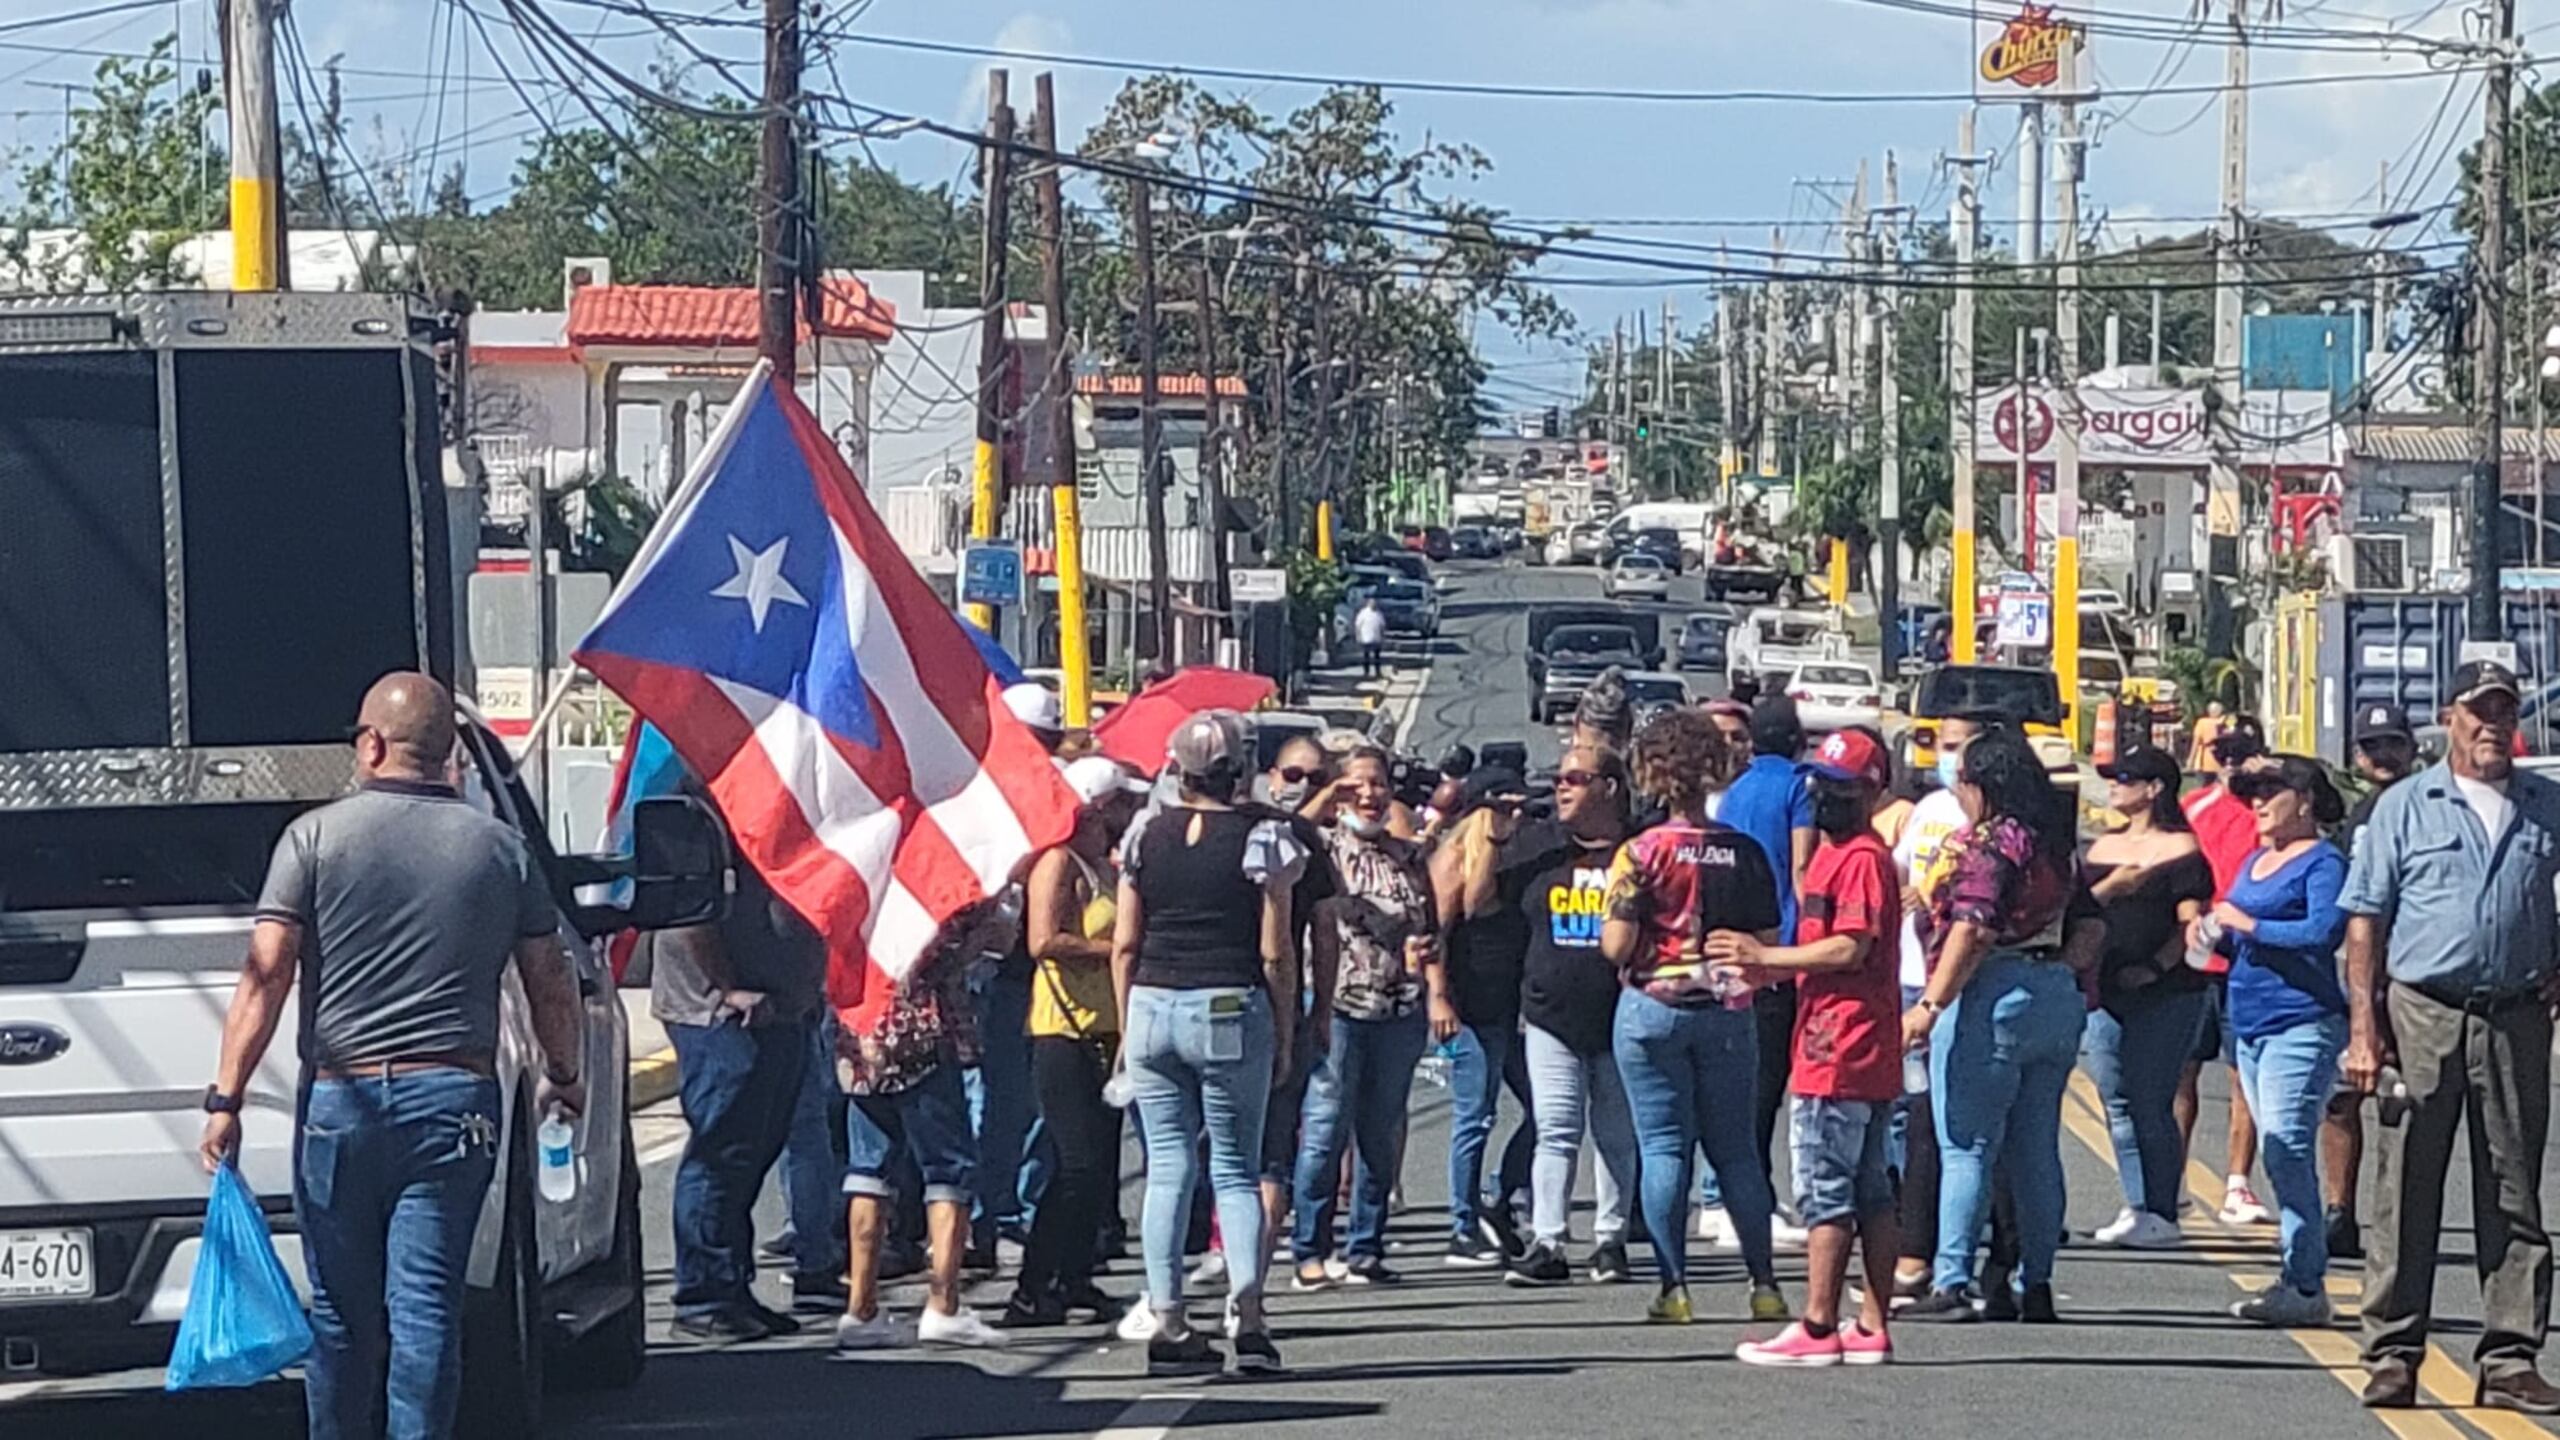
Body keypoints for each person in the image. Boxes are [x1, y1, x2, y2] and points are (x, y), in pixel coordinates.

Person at [200, 673, 586, 1440]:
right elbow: (550, 976)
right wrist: (564, 1076)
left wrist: (226, 1098)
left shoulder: (312, 840)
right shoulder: (500, 850)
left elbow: (266, 974)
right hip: (453, 1101)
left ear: (373, 744)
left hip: (342, 1106)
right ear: (449, 754)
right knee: (427, 1310)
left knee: (342, 1316)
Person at [2342, 661, 2560, 1414]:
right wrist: (2364, 1029)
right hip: (2422, 1012)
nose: (2492, 724)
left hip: (2516, 1015)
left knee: (2515, 1191)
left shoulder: (2545, 806)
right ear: (2450, 718)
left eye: (2504, 710)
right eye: (2479, 711)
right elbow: (2365, 920)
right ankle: (2395, 1352)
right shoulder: (2406, 806)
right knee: (2407, 1187)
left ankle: (2509, 1357)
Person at [1114, 710, 1301, 1375]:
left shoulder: (1144, 834)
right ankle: (1248, 1321)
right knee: (1234, 1166)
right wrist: (1284, 1027)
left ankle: (1168, 1319)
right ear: (1240, 769)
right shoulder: (1264, 838)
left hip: (1151, 1005)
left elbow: (1125, 942)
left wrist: (1126, 1021)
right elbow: (1274, 950)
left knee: (1167, 1164)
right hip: (1227, 1001)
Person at [1899, 727, 2102, 1325]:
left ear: (1983, 784)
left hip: (1992, 991)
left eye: (1962, 780)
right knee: (2037, 1147)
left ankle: (1953, 1278)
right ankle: (2033, 1281)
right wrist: (2061, 968)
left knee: (1966, 1145)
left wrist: (1930, 1005)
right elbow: (2092, 924)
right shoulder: (2053, 844)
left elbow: (1973, 927)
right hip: (2052, 993)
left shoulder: (1989, 845)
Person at [1715, 728, 1904, 1368]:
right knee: (1870, 1187)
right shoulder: (1832, 853)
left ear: (1873, 789)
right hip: (1843, 1036)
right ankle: (1870, 1323)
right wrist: (1766, 971)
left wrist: (1767, 956)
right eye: (1819, 785)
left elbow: (1850, 946)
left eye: (1841, 788)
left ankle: (1819, 1325)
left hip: (1841, 1046)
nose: (1824, 797)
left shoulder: (1860, 858)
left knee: (1829, 1188)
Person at [1600, 707, 1788, 1326]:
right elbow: (1767, 936)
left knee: (1663, 1148)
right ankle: (1763, 1283)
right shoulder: (1746, 850)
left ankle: (1674, 1286)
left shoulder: (1641, 853)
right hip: (1729, 1008)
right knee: (1736, 1151)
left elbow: (1618, 947)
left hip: (1653, 1006)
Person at [650, 795, 828, 1343]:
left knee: (753, 1153)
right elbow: (686, 916)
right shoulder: (691, 822)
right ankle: (702, 1296)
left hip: (780, 1011)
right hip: (720, 1016)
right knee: (720, 1151)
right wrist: (728, 987)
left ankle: (731, 1287)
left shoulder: (767, 811)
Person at [995, 758, 1148, 1328]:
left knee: (1100, 1164)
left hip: (1108, 1028)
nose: (1127, 811)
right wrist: (1117, 951)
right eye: (1119, 802)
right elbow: (1043, 941)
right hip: (1064, 1029)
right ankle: (1034, 1287)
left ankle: (1076, 1277)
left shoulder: (1105, 867)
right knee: (1076, 1162)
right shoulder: (1059, 864)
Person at [2212, 755, 2351, 1327]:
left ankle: (2305, 1281)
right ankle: (2295, 1275)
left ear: (2307, 801)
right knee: (2278, 1148)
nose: (2259, 803)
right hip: (2249, 1020)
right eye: (2254, 793)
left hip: (2302, 1020)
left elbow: (2324, 930)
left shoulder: (2323, 862)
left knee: (2286, 1143)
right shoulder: (2257, 860)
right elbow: (2239, 928)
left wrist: (2250, 926)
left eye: (2273, 791)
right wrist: (2215, 932)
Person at [1499, 744, 1643, 1286]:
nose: (1562, 787)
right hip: (1548, 1014)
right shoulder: (1540, 848)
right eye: (1558, 778)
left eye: (1576, 779)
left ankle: (1611, 1241)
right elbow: (1488, 905)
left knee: (1615, 1131)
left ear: (1608, 786)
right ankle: (1548, 1241)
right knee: (1556, 1129)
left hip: (1620, 1013)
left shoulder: (1638, 849)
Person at [833, 906, 1008, 1353]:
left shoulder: (856, 885)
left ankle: (861, 1306)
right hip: (922, 1034)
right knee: (948, 1171)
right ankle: (943, 1304)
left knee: (868, 1169)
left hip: (861, 1033)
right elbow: (948, 956)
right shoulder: (927, 887)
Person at [1293, 747, 1438, 1289]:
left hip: (1400, 1006)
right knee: (1326, 1129)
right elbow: (1286, 833)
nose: (1370, 795)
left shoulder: (1409, 855)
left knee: (1380, 1130)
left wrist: (1428, 960)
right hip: (1338, 1004)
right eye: (1357, 786)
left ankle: (1367, 1246)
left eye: (1378, 784)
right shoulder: (1324, 846)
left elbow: (1432, 921)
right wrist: (1328, 796)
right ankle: (1310, 1247)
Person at [2080, 745, 2214, 1251]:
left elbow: (2191, 925)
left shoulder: (2182, 849)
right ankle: (2137, 1204)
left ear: (2155, 788)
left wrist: (2156, 966)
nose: (2115, 785)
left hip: (2166, 992)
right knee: (2115, 1100)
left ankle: (2162, 1208)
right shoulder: (2101, 849)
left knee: (2152, 1102)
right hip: (2105, 990)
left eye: (2126, 778)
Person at [1887, 714, 1984, 1300]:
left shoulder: (1973, 822)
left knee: (1942, 1119)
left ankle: (1935, 1242)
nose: (1948, 757)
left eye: (1959, 748)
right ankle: (1909, 1217)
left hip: (1943, 984)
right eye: (1943, 747)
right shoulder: (1927, 809)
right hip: (1904, 973)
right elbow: (1900, 865)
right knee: (1904, 1112)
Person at [1717, 695, 1819, 1248]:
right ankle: (1752, 1199)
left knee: (1744, 1085)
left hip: (1734, 947)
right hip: (1780, 948)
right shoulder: (1798, 786)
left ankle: (1743, 1194)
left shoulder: (1736, 790)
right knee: (1771, 1088)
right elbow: (1802, 867)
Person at [1431, 767, 1540, 1267]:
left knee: (1546, 1112)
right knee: (1474, 1115)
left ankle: (1500, 1195)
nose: (1514, 816)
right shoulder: (1455, 859)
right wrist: (1438, 996)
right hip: (1471, 1009)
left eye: (1519, 807)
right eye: (1503, 806)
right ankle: (1462, 1226)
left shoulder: (1515, 856)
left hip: (1515, 1008)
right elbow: (1430, 937)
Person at [2325, 701, 2417, 1261]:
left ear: (2411, 747)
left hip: (2411, 974)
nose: (2382, 755)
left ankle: (2401, 1215)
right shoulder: (2355, 818)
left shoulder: (2427, 807)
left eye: (2392, 744)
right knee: (2340, 1099)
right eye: (2372, 746)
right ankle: (2340, 1211)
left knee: (2405, 1103)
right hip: (2354, 970)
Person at [2181, 715, 2272, 1227]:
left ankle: (2238, 1183)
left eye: (2243, 751)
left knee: (2246, 1077)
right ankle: (2168, 1181)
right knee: (2182, 1073)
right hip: (2199, 955)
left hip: (2249, 958)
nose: (2233, 762)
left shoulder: (2270, 811)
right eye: (2225, 752)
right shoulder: (2194, 807)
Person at [2188, 700, 2230, 775]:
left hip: (2205, 763)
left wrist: (2191, 760)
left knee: (2206, 785)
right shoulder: (2227, 721)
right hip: (2223, 761)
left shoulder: (2202, 722)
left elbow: (2196, 743)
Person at [1354, 595, 1387, 679]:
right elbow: (1358, 625)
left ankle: (1378, 672)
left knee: (1377, 657)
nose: (1373, 605)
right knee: (1366, 657)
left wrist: (1383, 637)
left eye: (1374, 603)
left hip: (1376, 638)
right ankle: (1366, 672)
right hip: (1366, 638)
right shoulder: (1363, 613)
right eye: (1371, 603)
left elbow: (1382, 626)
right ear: (1368, 604)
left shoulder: (1378, 614)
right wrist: (1358, 636)